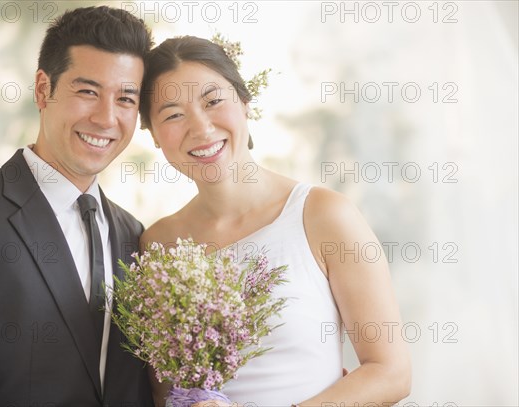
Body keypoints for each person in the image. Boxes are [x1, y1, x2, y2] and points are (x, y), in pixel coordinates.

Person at [138, 36, 412, 406]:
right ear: (154, 135)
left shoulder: (323, 215)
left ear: (245, 102)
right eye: (173, 114)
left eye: (213, 101)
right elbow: (162, 391)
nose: (200, 128)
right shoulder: (159, 244)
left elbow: (390, 373)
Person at [0, 6, 154, 405]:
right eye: (88, 91)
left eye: (126, 99)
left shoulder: (135, 235)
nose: (106, 118)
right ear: (43, 89)